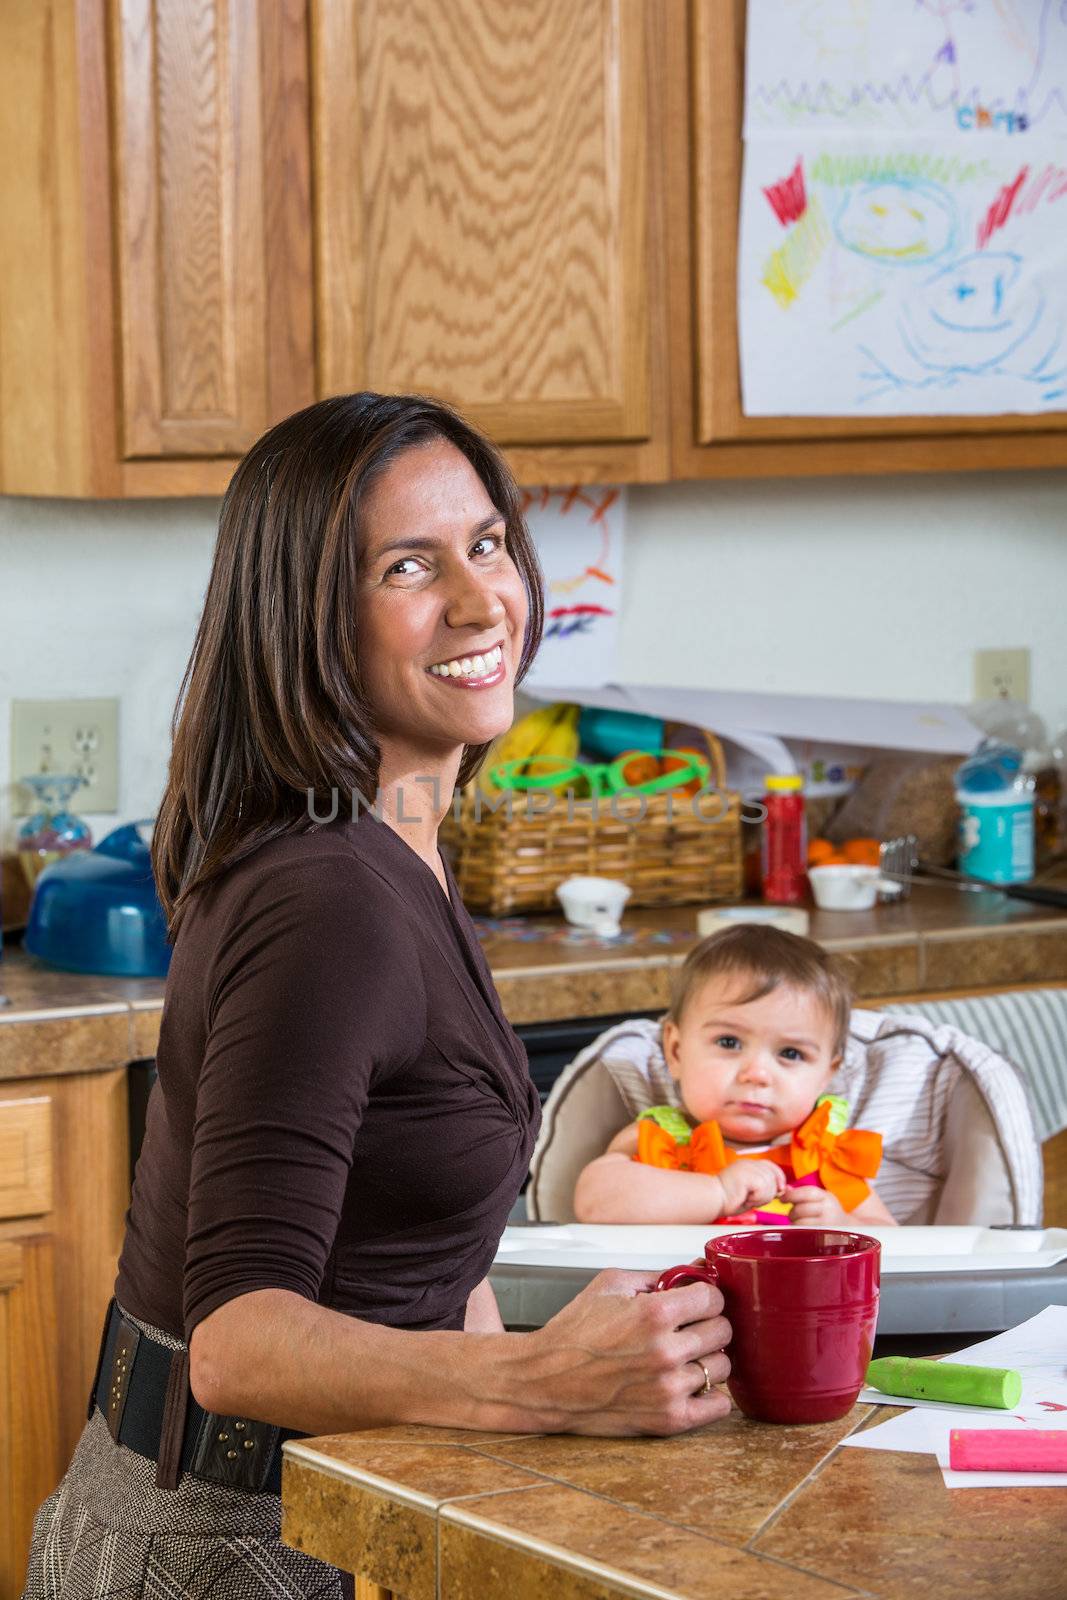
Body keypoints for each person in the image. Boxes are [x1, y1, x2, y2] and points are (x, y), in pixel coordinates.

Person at [22, 394, 731, 1600]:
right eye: (409, 566)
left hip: (339, 1517)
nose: (477, 601)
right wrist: (549, 1384)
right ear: (307, 619)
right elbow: (238, 1345)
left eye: (487, 543)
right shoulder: (327, 898)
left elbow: (418, 1251)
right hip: (222, 1554)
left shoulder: (394, 834)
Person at [574, 925, 898, 1228]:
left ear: (826, 1076)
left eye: (791, 1053)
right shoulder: (662, 1139)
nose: (756, 1075)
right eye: (729, 1042)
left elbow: (899, 1245)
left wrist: (843, 1227)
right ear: (675, 1052)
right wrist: (717, 1192)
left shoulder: (827, 1155)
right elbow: (593, 1203)